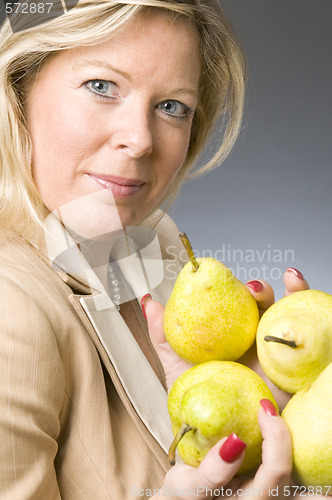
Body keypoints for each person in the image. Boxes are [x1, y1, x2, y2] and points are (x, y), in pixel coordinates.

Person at [0, 0, 319, 499]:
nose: (141, 140)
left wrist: (276, 432)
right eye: (101, 86)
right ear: (18, 88)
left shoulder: (156, 243)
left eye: (172, 106)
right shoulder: (9, 304)